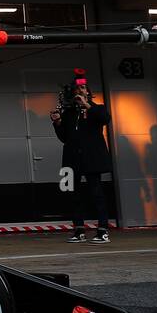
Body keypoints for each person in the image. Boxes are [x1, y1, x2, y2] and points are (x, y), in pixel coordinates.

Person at [51, 68, 112, 244]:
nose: (81, 91)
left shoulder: (96, 109)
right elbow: (64, 138)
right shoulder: (69, 113)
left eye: (84, 88)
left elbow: (105, 119)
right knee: (71, 192)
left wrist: (87, 105)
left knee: (96, 193)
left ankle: (103, 230)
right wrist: (57, 122)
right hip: (70, 160)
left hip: (92, 160)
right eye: (78, 89)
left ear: (88, 92)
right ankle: (79, 229)